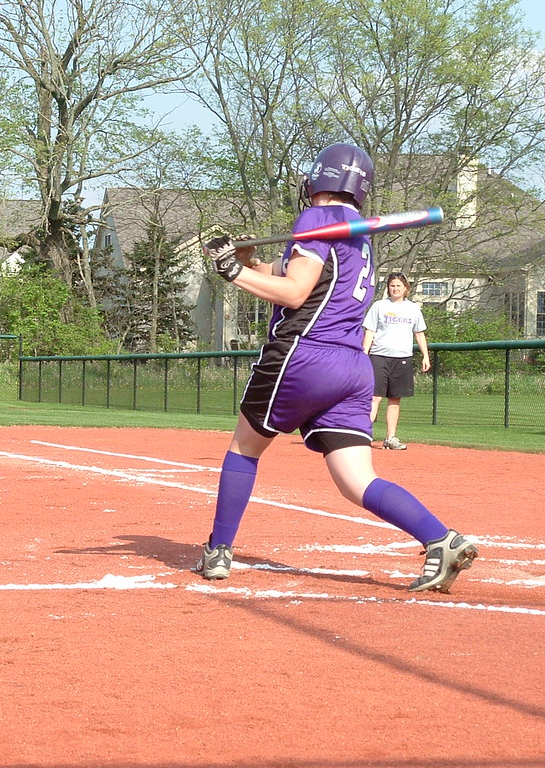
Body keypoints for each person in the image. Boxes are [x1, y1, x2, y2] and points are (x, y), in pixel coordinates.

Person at [197, 143, 478, 593]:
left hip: (303, 356)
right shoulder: (356, 236)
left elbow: (294, 292)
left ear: (315, 181)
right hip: (352, 369)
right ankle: (441, 539)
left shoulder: (315, 220)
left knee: (245, 448)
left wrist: (232, 272)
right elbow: (294, 269)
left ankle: (218, 551)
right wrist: (249, 259)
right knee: (357, 480)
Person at [363, 272, 430, 450]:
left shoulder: (413, 309)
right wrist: (364, 353)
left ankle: (390, 438)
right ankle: (364, 435)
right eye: (392, 285)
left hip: (402, 358)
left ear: (406, 289)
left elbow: (419, 333)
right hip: (379, 356)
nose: (395, 288)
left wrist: (425, 355)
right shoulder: (379, 306)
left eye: (399, 286)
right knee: (374, 397)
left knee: (394, 400)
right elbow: (369, 331)